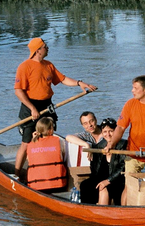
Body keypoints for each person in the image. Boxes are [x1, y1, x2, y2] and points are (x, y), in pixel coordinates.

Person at [14, 37, 97, 177]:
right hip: (30, 106)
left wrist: (80, 83)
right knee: (26, 143)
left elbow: (63, 79)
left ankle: (49, 169)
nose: (47, 48)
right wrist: (32, 109)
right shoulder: (24, 66)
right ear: (37, 50)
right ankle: (16, 173)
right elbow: (18, 91)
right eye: (45, 46)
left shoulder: (48, 65)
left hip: (47, 105)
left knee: (49, 137)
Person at [74, 118, 127, 205]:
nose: (108, 134)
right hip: (101, 177)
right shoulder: (99, 146)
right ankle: (88, 209)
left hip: (117, 179)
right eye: (105, 132)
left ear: (116, 132)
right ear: (102, 133)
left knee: (103, 188)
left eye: (111, 131)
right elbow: (95, 167)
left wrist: (108, 180)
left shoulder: (123, 145)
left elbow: (123, 166)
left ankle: (102, 212)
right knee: (85, 184)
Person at [25, 117, 69, 192]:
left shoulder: (30, 144)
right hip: (58, 186)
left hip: (36, 187)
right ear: (50, 131)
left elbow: (29, 160)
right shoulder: (59, 141)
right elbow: (64, 156)